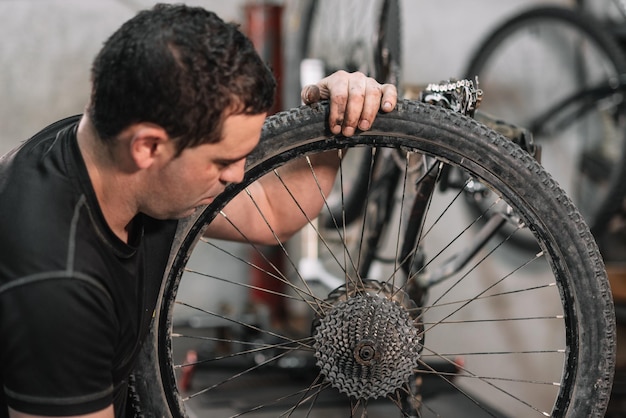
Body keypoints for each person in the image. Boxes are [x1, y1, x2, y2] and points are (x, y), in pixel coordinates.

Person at [0, 3, 397, 418]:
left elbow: (270, 209)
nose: (237, 176)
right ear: (148, 147)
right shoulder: (55, 285)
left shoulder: (110, 153)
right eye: (223, 162)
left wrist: (335, 125)